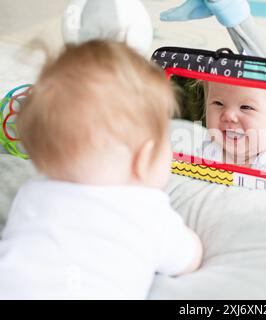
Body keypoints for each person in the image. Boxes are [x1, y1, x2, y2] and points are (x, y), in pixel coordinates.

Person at [0, 40, 202, 299]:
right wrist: (192, 242)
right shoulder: (148, 209)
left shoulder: (31, 193)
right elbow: (189, 257)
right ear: (144, 159)